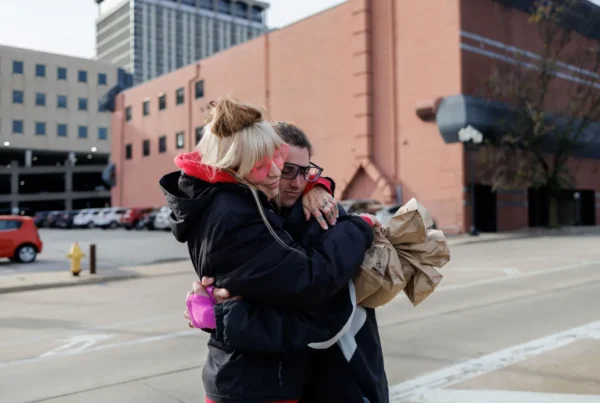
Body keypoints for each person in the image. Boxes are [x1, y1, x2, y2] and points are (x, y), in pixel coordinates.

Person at [159, 98, 376, 403]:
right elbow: (312, 280)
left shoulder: (236, 199)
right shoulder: (235, 212)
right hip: (256, 383)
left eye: (305, 172)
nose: (278, 175)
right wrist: (359, 226)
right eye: (270, 165)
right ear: (236, 163)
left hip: (262, 377)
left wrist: (319, 187)